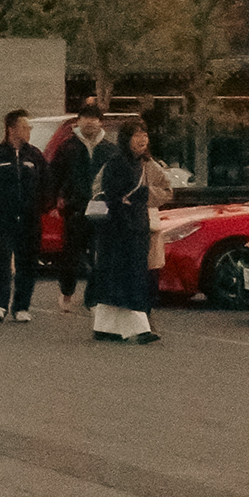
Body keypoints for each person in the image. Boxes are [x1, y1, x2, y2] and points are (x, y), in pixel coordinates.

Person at [0, 109, 47, 322]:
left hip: (29, 220)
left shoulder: (35, 156)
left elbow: (47, 182)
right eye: (25, 127)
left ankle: (21, 307)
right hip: (3, 220)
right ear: (11, 129)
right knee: (0, 263)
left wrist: (39, 207)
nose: (28, 131)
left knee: (27, 263)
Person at [90, 118, 157, 344]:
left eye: (145, 134)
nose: (143, 139)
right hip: (119, 232)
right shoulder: (117, 163)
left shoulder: (141, 163)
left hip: (133, 229)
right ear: (126, 139)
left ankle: (104, 327)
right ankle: (141, 329)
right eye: (137, 135)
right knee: (130, 279)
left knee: (116, 280)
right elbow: (112, 196)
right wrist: (131, 205)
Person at [48, 99, 110, 314]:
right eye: (86, 118)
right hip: (75, 210)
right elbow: (54, 177)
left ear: (101, 122)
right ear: (78, 121)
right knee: (70, 256)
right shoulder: (68, 147)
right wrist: (53, 203)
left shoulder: (109, 149)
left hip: (101, 211)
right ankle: (67, 291)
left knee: (98, 257)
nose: (90, 122)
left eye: (94, 118)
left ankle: (92, 299)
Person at [143, 139, 176, 317]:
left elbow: (167, 191)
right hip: (123, 224)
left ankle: (146, 310)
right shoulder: (115, 164)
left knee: (150, 267)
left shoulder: (151, 165)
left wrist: (145, 194)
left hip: (147, 224)